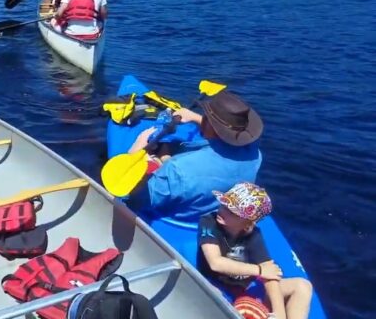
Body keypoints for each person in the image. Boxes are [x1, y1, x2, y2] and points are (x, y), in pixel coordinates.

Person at [125, 91, 264, 222]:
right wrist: (196, 118)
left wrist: (135, 151)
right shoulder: (254, 154)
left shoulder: (177, 169)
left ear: (210, 125)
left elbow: (135, 199)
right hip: (214, 212)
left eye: (206, 117)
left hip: (178, 219)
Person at [198, 182, 312, 319]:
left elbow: (270, 274)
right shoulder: (209, 222)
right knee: (217, 297)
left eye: (231, 211)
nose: (222, 211)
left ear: (247, 223)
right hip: (218, 288)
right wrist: (259, 270)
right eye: (223, 205)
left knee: (302, 286)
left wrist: (278, 313)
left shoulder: (253, 235)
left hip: (245, 291)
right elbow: (215, 263)